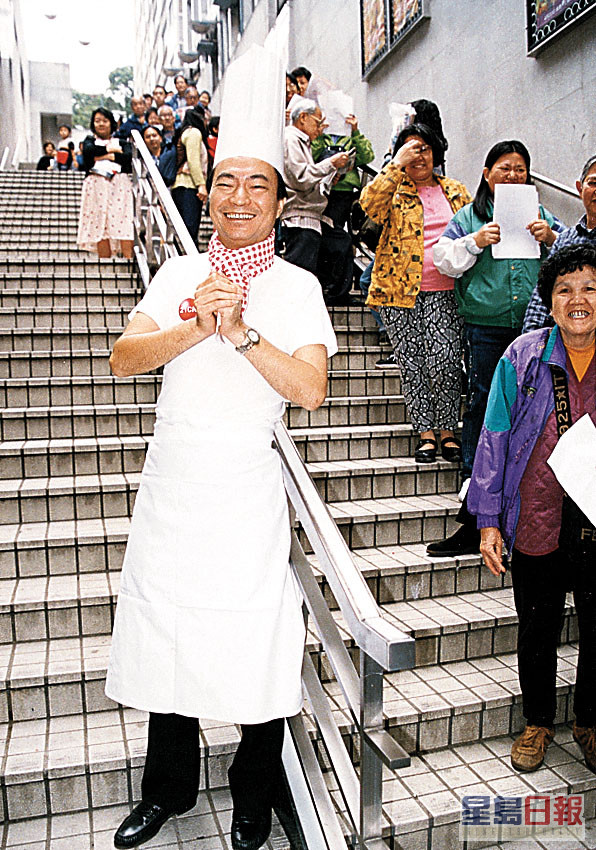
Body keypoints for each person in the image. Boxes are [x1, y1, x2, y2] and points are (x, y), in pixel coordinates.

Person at [106, 44, 337, 850]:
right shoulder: (176, 272)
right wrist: (192, 325)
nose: (240, 195)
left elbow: (309, 388)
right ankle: (164, 791)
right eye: (228, 180)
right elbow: (123, 356)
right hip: (174, 484)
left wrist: (240, 334)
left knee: (251, 647)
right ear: (209, 194)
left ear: (278, 200)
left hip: (243, 489)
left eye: (259, 183)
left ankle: (251, 799)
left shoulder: (298, 288)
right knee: (167, 638)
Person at [467, 243, 596, 774]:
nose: (578, 299)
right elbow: (493, 437)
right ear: (550, 300)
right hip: (538, 514)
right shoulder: (522, 355)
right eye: (564, 289)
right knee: (537, 628)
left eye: (590, 287)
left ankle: (588, 721)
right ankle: (537, 723)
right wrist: (489, 520)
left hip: (595, 522)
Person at [426, 140, 564, 556]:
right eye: (504, 167)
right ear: (486, 173)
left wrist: (551, 236)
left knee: (535, 414)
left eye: (521, 168)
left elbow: (573, 256)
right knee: (485, 408)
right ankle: (474, 516)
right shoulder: (468, 216)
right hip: (485, 328)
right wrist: (475, 241)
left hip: (536, 330)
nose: (513, 175)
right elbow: (442, 260)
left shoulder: (539, 214)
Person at [359, 123, 472, 462]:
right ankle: (425, 432)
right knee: (412, 363)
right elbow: (368, 204)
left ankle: (448, 428)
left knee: (447, 360)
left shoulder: (455, 191)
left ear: (436, 151)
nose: (418, 155)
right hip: (397, 292)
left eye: (423, 147)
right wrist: (395, 164)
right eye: (410, 148)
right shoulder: (392, 189)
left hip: (447, 289)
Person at [523, 154, 596, 332]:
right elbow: (542, 296)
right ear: (580, 188)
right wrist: (531, 339)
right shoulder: (565, 240)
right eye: (593, 183)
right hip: (565, 345)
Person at [279, 98, 350, 275]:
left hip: (309, 216)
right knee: (300, 273)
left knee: (340, 245)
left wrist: (327, 179)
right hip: (300, 216)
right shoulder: (291, 139)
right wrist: (330, 164)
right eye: (318, 122)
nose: (320, 128)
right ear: (303, 117)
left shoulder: (301, 141)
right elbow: (301, 178)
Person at [311, 111, 374, 304]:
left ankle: (334, 288)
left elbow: (367, 156)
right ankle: (331, 287)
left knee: (341, 238)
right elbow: (311, 156)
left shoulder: (350, 137)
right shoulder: (320, 135)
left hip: (345, 192)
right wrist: (320, 135)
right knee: (335, 238)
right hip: (322, 191)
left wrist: (355, 131)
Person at [76, 107, 134, 258]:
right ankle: (105, 262)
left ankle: (129, 259)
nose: (101, 124)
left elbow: (128, 158)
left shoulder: (121, 141)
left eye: (105, 121)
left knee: (123, 219)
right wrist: (112, 152)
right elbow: (88, 153)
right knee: (99, 221)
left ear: (111, 123)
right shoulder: (89, 141)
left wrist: (102, 156)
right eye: (97, 121)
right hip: (96, 182)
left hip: (119, 182)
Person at [170, 105, 209, 246]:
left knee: (187, 231)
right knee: (190, 231)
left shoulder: (186, 132)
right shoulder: (193, 133)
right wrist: (201, 185)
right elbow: (194, 161)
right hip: (188, 186)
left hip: (183, 186)